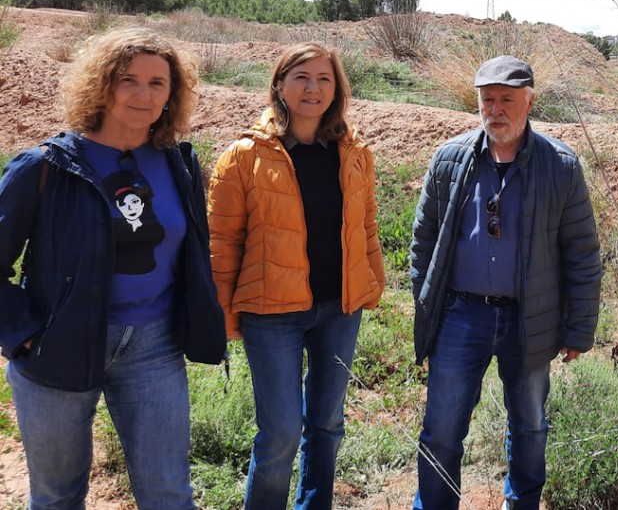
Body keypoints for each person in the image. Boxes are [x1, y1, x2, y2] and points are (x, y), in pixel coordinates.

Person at [0, 27, 226, 510]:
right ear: (101, 84)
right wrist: (23, 334)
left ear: (172, 94)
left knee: (168, 494)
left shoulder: (179, 164)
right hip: (58, 345)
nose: (142, 94)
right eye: (128, 79)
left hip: (154, 348)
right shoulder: (45, 166)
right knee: (58, 496)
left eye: (157, 83)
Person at [410, 55, 603, 510]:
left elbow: (582, 253)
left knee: (530, 425)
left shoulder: (560, 165)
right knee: (442, 427)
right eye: (487, 100)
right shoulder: (450, 159)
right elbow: (424, 241)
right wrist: (427, 307)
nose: (496, 110)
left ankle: (521, 505)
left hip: (529, 318)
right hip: (461, 315)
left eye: (507, 100)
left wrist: (579, 328)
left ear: (529, 101)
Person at [207, 42, 385, 510]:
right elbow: (222, 243)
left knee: (326, 423)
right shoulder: (244, 156)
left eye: (324, 79)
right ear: (280, 85)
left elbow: (366, 225)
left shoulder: (353, 152)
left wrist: (372, 282)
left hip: (339, 309)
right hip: (272, 313)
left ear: (337, 89)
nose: (313, 88)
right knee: (281, 432)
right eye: (302, 77)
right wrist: (223, 313)